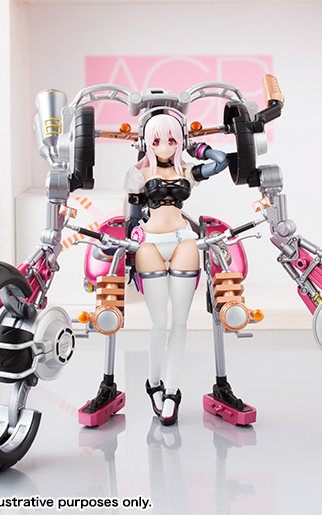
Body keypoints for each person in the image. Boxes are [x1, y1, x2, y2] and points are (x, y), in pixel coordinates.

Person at [124, 111, 228, 425]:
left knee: (180, 322)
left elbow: (221, 161)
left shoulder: (186, 171)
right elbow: (132, 216)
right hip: (150, 244)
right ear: (147, 142)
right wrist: (130, 249)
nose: (165, 146)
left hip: (184, 240)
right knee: (159, 323)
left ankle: (171, 391)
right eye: (157, 140)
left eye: (172, 140)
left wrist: (199, 149)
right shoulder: (138, 173)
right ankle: (153, 383)